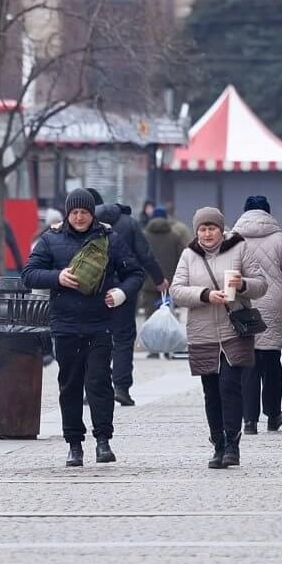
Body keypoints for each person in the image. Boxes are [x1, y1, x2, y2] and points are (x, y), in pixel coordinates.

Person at [22, 188, 144, 467]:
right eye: (75, 212)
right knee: (70, 385)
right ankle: (74, 444)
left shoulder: (110, 239)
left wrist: (121, 294)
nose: (79, 217)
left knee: (100, 383)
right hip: (64, 325)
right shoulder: (51, 239)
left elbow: (135, 273)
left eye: (84, 212)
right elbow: (28, 274)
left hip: (99, 323)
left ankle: (103, 441)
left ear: (92, 213)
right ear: (68, 213)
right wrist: (57, 277)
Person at [171, 207, 267, 468]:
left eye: (212, 228)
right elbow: (176, 291)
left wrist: (242, 284)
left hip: (233, 329)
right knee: (211, 391)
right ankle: (218, 443)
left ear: (221, 230)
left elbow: (261, 284)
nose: (207, 233)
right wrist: (204, 295)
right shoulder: (189, 254)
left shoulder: (239, 248)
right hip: (202, 333)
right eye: (202, 229)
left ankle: (232, 444)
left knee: (229, 386)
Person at [233, 195, 282, 435]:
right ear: (268, 213)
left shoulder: (234, 239)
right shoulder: (280, 240)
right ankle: (273, 415)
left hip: (245, 304)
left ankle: (249, 420)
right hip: (275, 305)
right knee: (271, 362)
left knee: (248, 364)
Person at [92, 188, 166, 406]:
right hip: (125, 287)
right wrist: (159, 279)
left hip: (95, 289)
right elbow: (145, 254)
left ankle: (95, 388)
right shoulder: (129, 223)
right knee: (123, 338)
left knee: (96, 339)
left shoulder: (86, 223)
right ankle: (121, 388)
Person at [141, 207, 187, 316]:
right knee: (169, 319)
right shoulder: (175, 237)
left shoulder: (143, 236)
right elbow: (183, 259)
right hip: (170, 285)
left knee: (151, 319)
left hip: (149, 285)